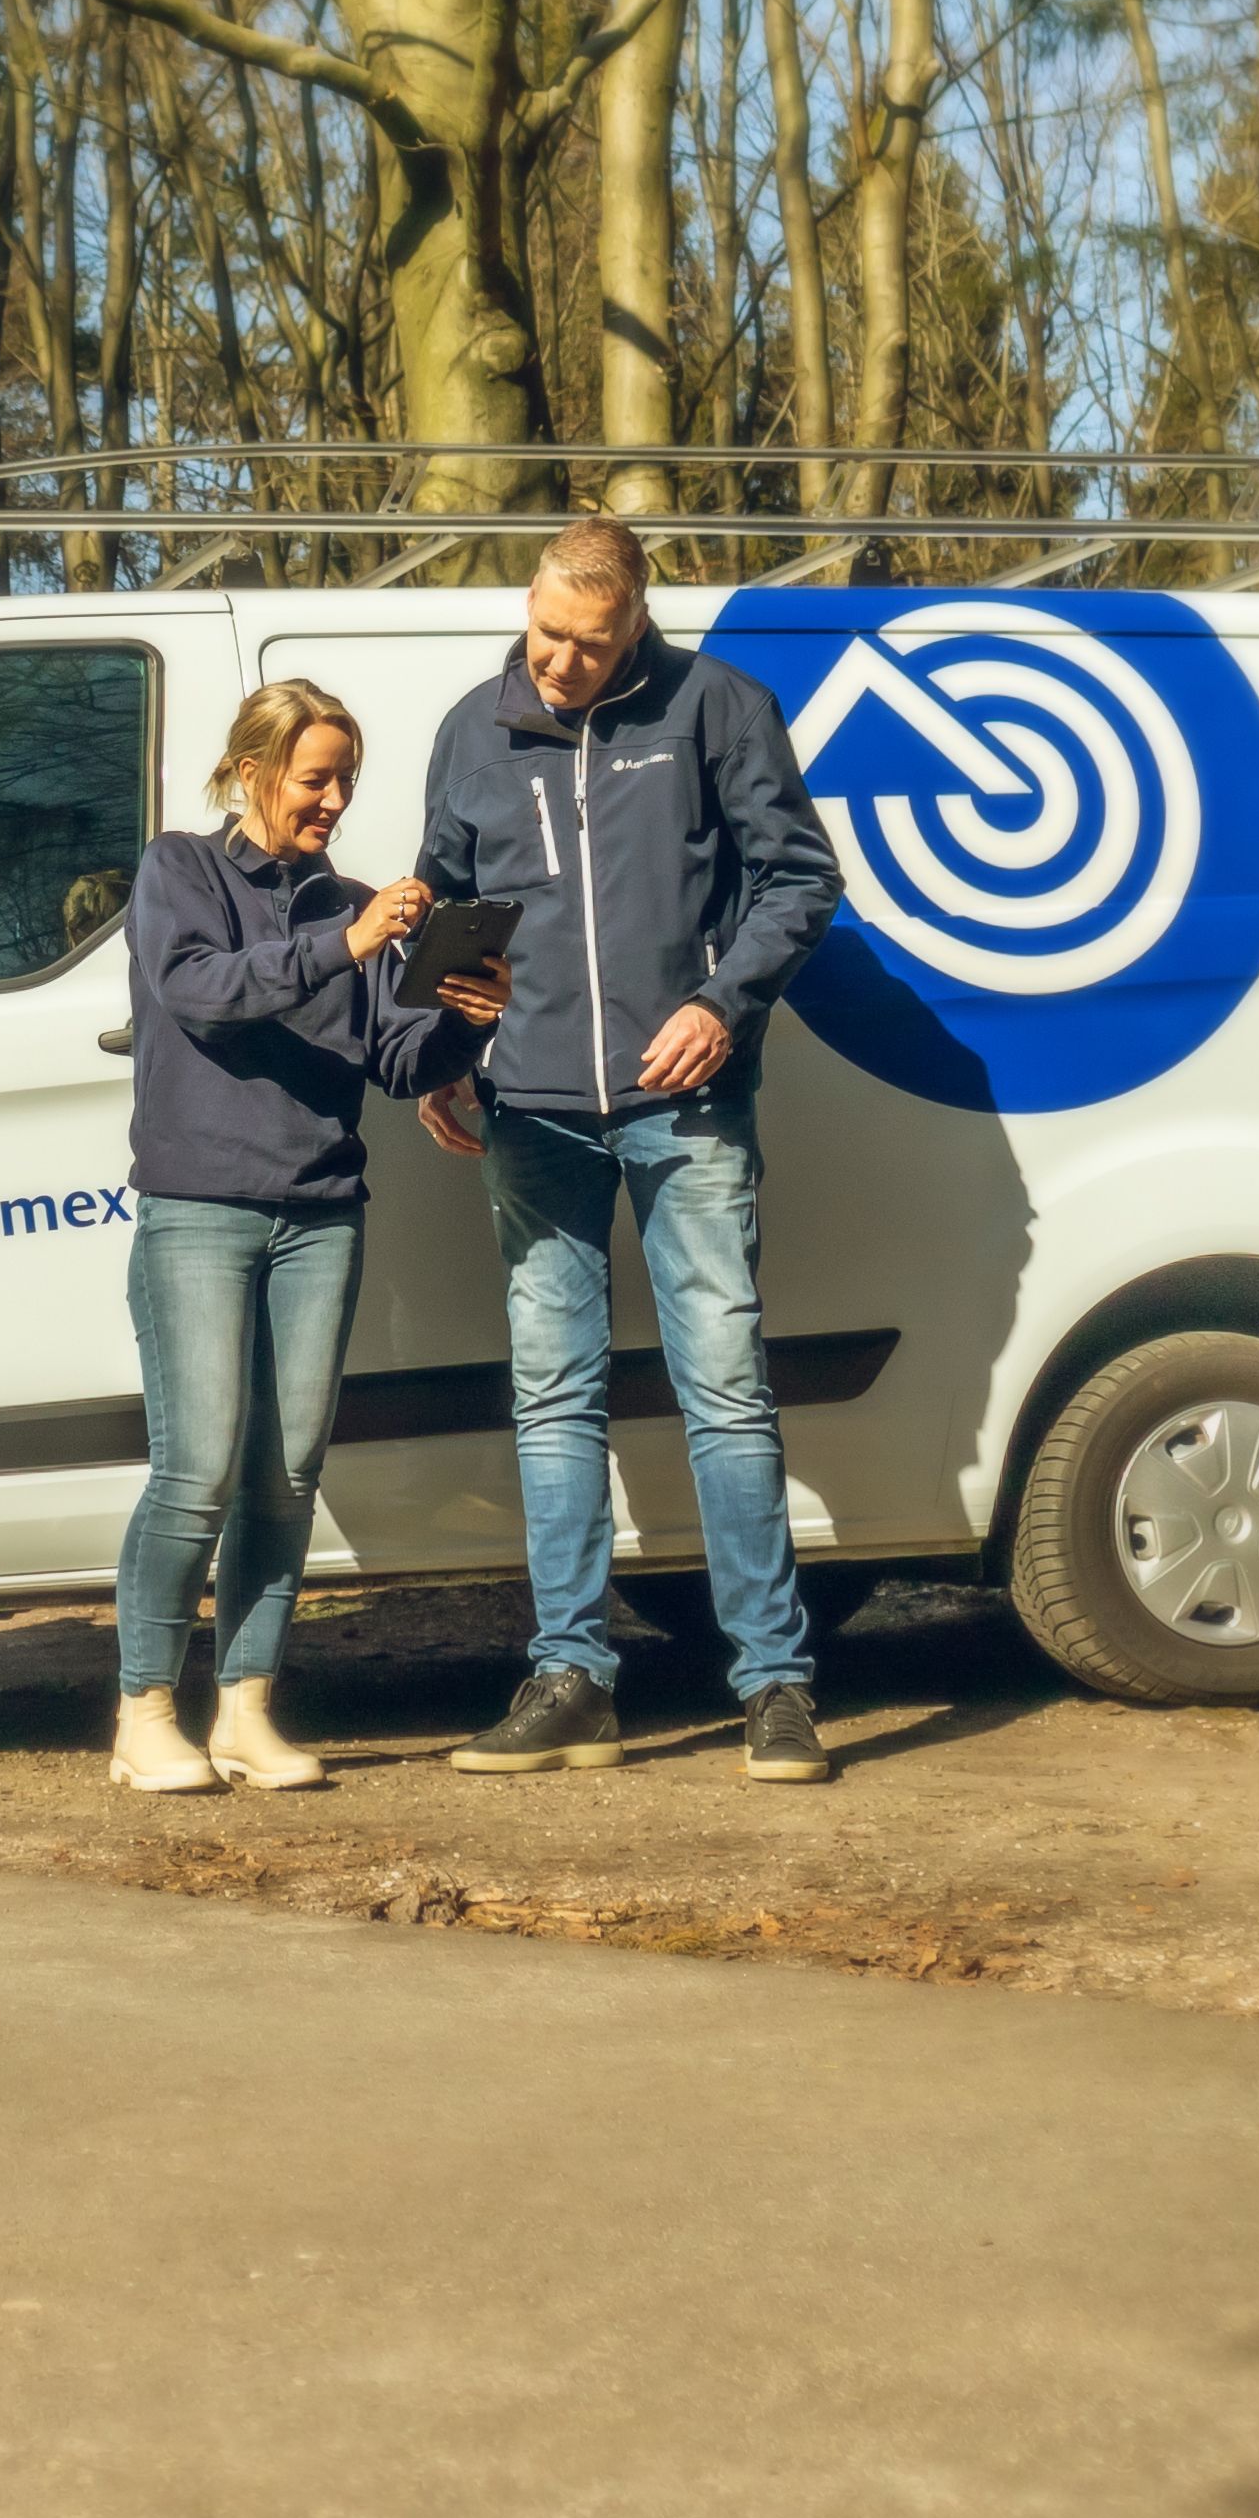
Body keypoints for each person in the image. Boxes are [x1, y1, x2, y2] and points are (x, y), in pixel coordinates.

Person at [412, 516, 848, 1784]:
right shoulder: (470, 730)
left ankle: (774, 1687)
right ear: (530, 605)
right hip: (530, 1112)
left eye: (589, 646)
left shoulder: (718, 708)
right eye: (547, 633)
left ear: (636, 626)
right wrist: (437, 1054)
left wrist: (724, 1004)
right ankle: (570, 1679)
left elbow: (798, 881)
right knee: (553, 1396)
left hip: (684, 1104)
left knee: (724, 1386)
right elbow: (441, 911)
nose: (559, 663)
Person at [112, 677, 502, 1794]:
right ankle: (145, 1714)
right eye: (314, 776)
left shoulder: (357, 903)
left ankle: (244, 1712)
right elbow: (199, 991)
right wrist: (345, 942)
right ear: (252, 771)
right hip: (199, 1208)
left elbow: (393, 1062)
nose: (332, 799)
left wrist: (469, 1023)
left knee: (284, 1477)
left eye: (346, 781)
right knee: (196, 1467)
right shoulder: (178, 871)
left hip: (322, 1210)